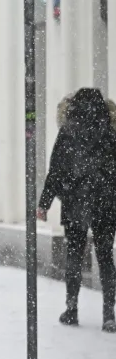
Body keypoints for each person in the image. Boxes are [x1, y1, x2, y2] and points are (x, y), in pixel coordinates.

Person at [38, 87, 116, 333]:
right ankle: (109, 315)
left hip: (76, 203)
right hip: (106, 202)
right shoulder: (110, 131)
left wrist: (44, 203)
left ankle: (71, 309)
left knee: (74, 255)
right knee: (105, 257)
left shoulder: (69, 130)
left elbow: (56, 170)